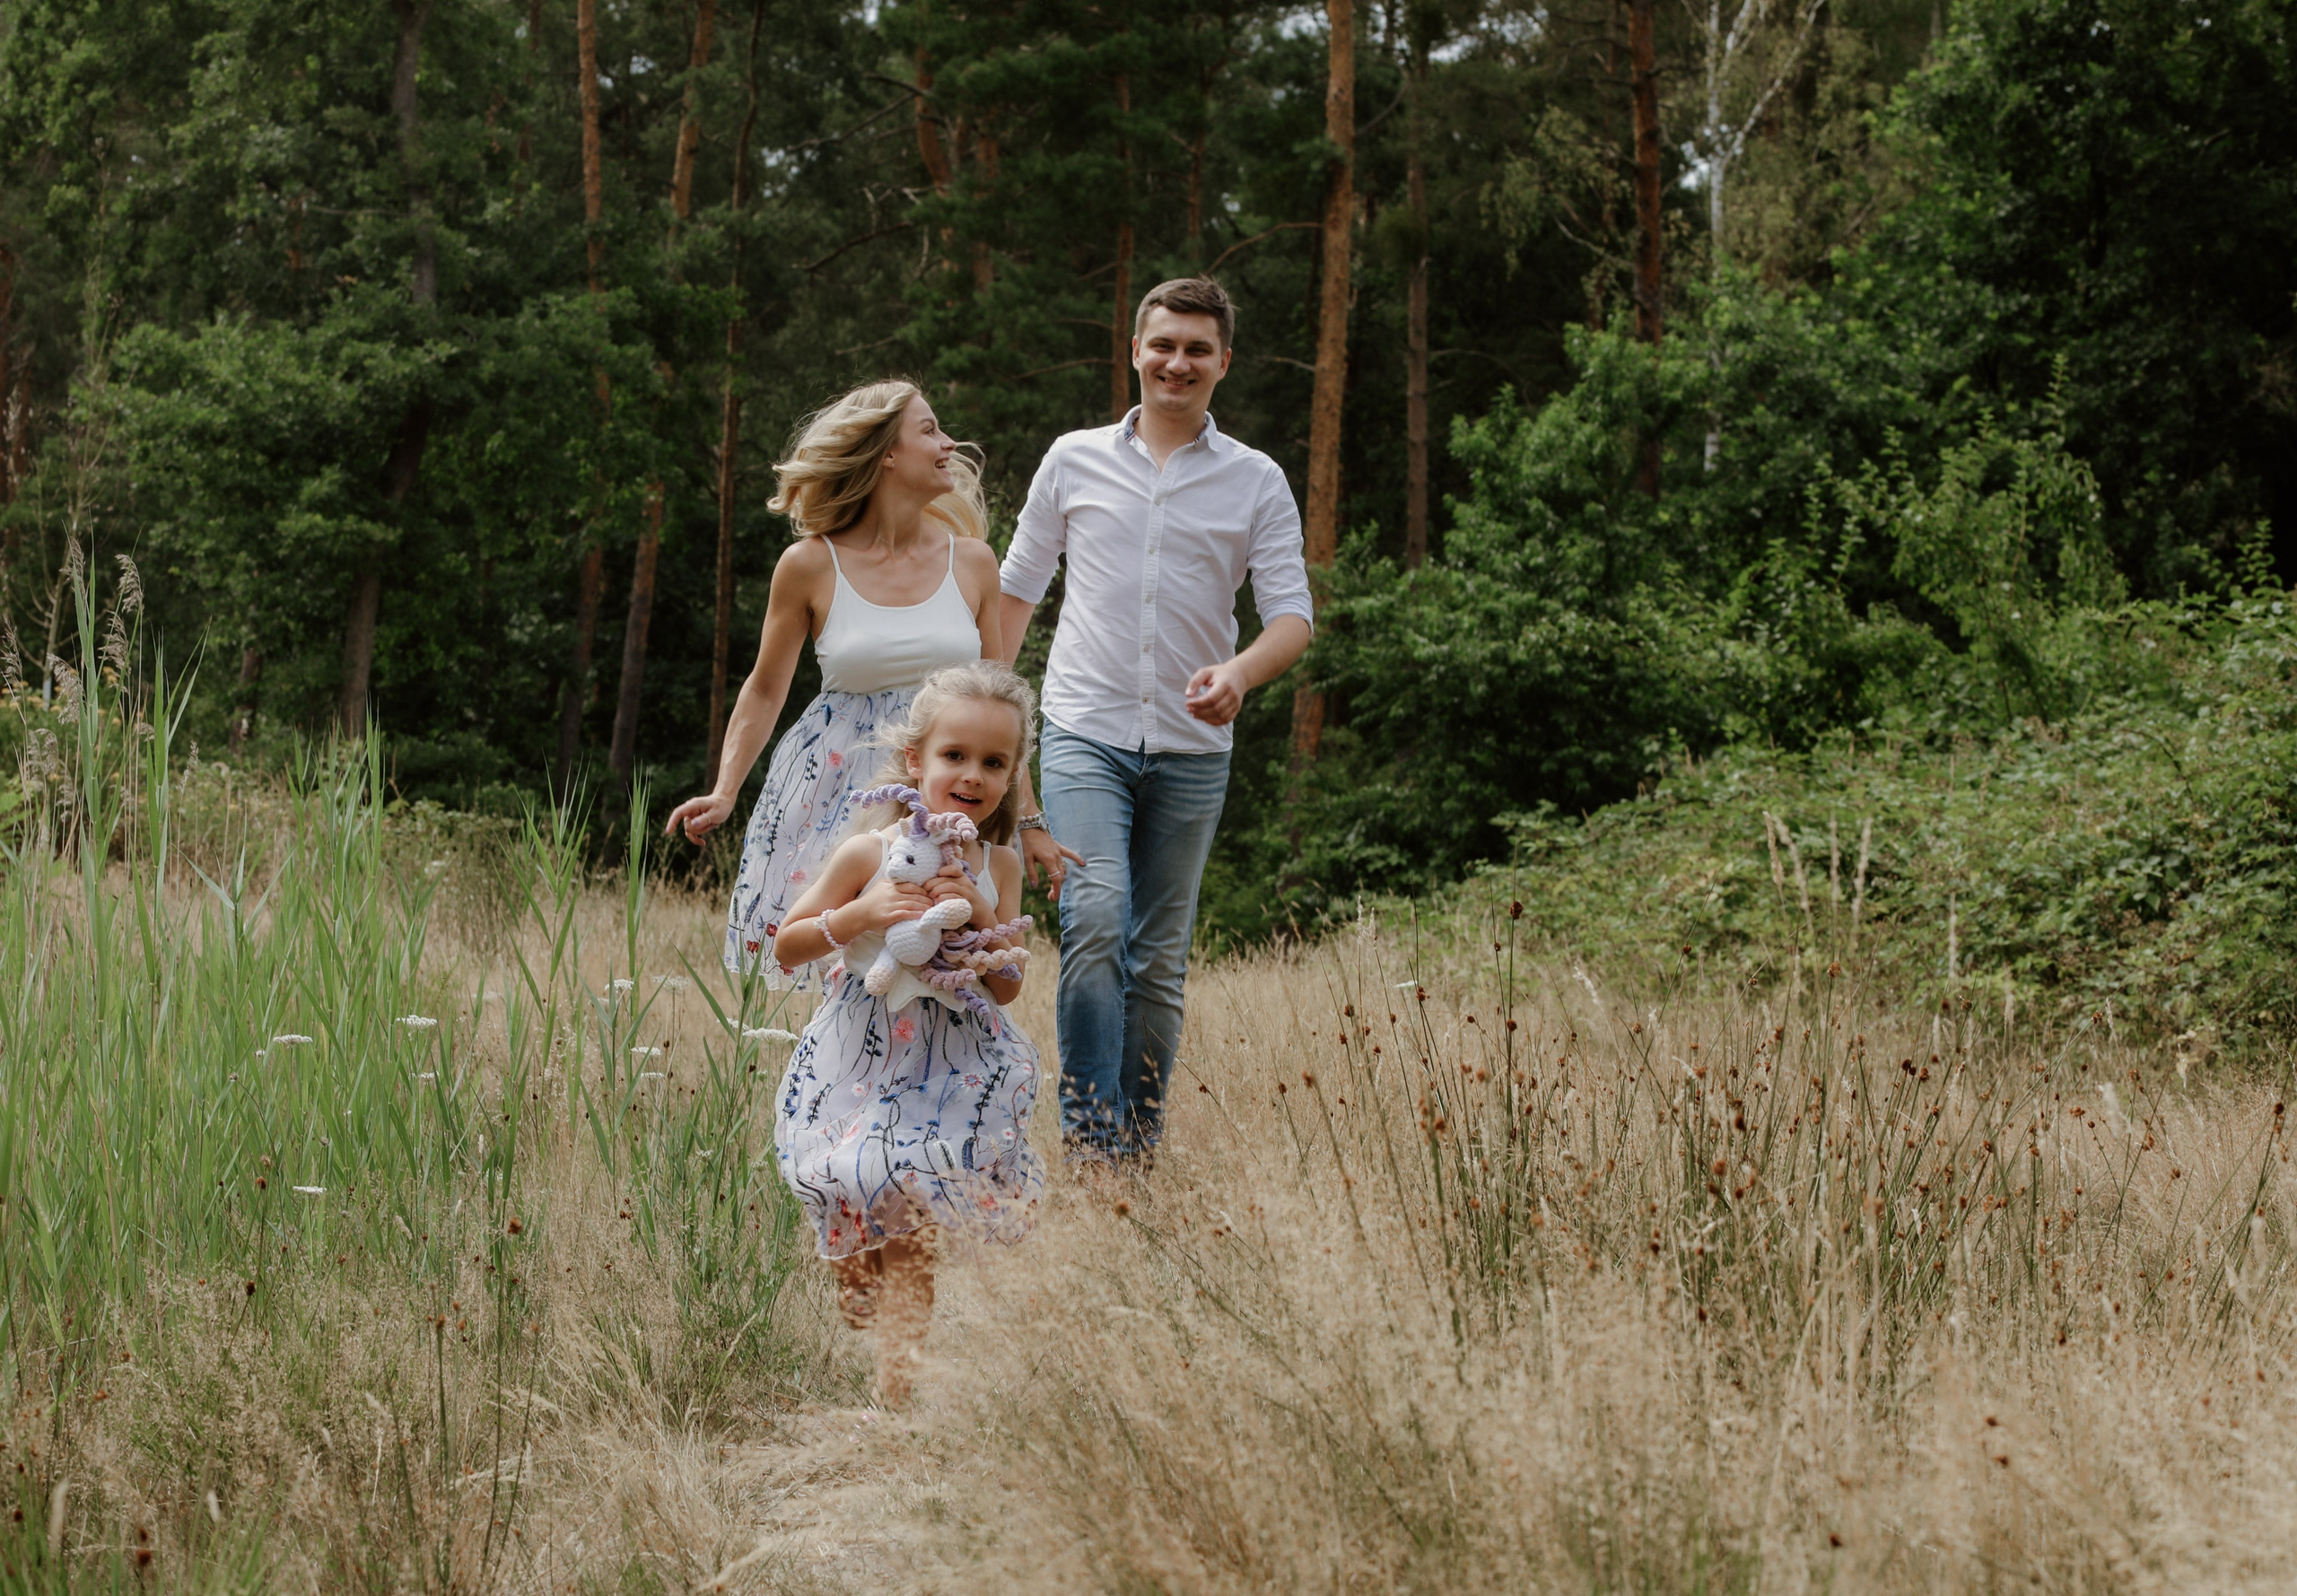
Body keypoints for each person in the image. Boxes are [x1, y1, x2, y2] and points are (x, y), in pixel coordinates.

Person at [998, 277, 1314, 1162]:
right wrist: (992, 712)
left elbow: (1292, 615)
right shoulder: (1073, 459)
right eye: (1163, 344)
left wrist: (1242, 674)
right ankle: (1090, 1139)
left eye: (1197, 350)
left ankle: (1138, 1140)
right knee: (1095, 919)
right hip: (1082, 730)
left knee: (1159, 958)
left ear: (1223, 363)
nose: (1178, 362)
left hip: (1192, 749)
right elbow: (1018, 591)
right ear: (1135, 350)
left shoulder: (1255, 479)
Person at [665, 380, 1049, 988]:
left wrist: (1028, 820)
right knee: (835, 955)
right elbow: (765, 690)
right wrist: (725, 788)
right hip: (834, 789)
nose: (949, 442)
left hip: (943, 782)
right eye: (929, 430)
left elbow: (1001, 703)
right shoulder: (810, 565)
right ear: (885, 452)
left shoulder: (972, 561)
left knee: (940, 956)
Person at [769, 661, 1046, 1405]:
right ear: (914, 759)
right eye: (955, 755)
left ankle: (897, 1398)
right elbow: (787, 943)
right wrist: (862, 914)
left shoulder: (1000, 863)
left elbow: (1009, 986)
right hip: (859, 1054)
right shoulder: (870, 852)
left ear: (1013, 776)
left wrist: (983, 915)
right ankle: (852, 1271)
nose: (972, 774)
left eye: (994, 762)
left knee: (913, 1223)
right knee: (853, 1189)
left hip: (952, 1064)